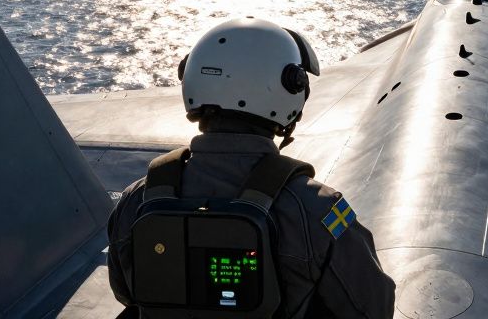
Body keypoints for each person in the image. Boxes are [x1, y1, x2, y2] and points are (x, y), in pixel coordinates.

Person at [107, 17, 395, 318]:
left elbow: (126, 293)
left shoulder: (136, 200)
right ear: (289, 89)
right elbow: (373, 307)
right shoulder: (320, 209)